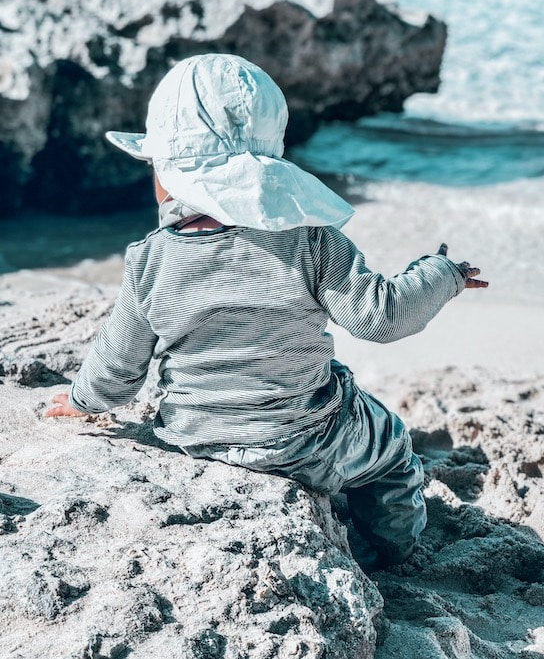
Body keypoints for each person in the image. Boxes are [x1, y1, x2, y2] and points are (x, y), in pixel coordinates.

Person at [46, 53, 487, 569]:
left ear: (165, 173)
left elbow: (118, 363)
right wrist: (440, 275)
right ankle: (395, 550)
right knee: (391, 447)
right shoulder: (311, 243)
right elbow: (381, 316)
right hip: (302, 439)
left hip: (195, 434)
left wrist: (83, 400)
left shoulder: (150, 258)